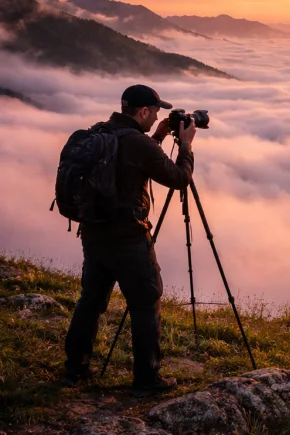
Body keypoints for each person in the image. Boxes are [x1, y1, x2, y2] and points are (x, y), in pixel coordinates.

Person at [62, 84, 196, 396]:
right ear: (143, 111)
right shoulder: (138, 144)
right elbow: (180, 178)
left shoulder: (103, 132)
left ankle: (75, 368)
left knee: (90, 301)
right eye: (156, 112)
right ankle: (147, 379)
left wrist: (158, 137)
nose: (158, 117)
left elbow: (128, 164)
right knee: (145, 304)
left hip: (94, 234)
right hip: (130, 239)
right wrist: (187, 146)